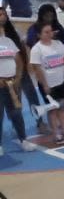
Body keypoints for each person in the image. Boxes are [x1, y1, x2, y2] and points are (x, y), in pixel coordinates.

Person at [28, 22, 64, 142]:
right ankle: (56, 134)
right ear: (39, 34)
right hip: (49, 85)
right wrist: (45, 85)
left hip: (62, 82)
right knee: (52, 109)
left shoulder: (58, 44)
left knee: (62, 107)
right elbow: (37, 69)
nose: (49, 34)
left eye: (50, 31)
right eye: (46, 32)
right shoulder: (36, 49)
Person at [0, 9, 36, 152]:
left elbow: (18, 60)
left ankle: (24, 140)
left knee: (16, 112)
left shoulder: (8, 41)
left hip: (12, 83)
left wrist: (18, 77)